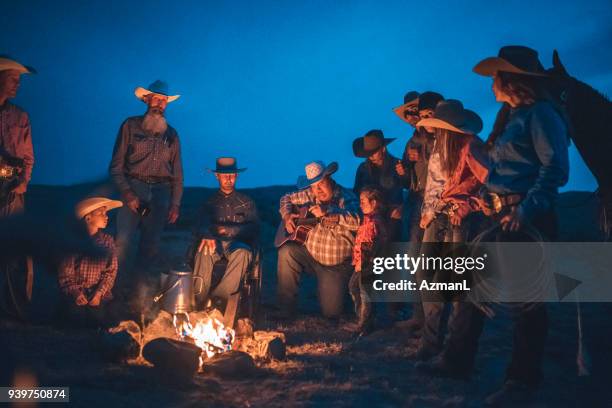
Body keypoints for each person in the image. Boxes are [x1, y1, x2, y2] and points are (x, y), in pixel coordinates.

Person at [468, 46, 569, 406]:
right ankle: (471, 364)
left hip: (527, 219)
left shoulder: (541, 115)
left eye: (496, 75)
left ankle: (522, 381)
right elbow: (505, 170)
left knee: (529, 303)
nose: (491, 82)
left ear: (509, 78)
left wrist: (525, 210)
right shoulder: (511, 117)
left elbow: (555, 169)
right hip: (504, 215)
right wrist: (487, 195)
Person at [406, 100, 488, 375]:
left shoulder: (470, 145)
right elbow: (440, 184)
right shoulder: (446, 145)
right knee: (428, 276)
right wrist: (431, 210)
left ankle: (450, 351)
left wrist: (469, 205)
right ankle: (432, 342)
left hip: (460, 220)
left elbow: (490, 182)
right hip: (441, 215)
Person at [108, 80, 184, 276]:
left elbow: (177, 173)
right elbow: (116, 166)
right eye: (156, 99)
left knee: (151, 246)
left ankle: (138, 296)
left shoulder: (173, 134)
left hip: (161, 193)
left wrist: (175, 203)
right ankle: (111, 291)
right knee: (122, 242)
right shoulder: (130, 126)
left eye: (163, 100)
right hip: (134, 186)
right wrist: (127, 193)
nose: (159, 103)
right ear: (147, 100)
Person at [276, 161, 361, 319]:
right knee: (286, 252)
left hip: (336, 265)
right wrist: (287, 215)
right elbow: (286, 197)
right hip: (311, 255)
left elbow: (357, 220)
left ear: (330, 179)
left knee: (332, 313)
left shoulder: (346, 197)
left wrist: (329, 211)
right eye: (314, 186)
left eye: (321, 184)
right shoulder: (310, 194)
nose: (318, 190)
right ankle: (286, 309)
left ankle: (345, 295)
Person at [393, 91, 444, 331]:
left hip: (434, 202)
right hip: (415, 200)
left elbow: (440, 164)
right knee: (414, 258)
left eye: (416, 112)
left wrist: (420, 157)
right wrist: (404, 173)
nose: (413, 117)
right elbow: (407, 182)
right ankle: (419, 315)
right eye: (410, 114)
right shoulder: (411, 141)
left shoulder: (436, 135)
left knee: (429, 258)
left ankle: (432, 319)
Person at [191, 157, 259, 308]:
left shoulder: (247, 203)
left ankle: (218, 301)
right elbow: (199, 224)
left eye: (232, 175)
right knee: (204, 250)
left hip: (238, 243)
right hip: (214, 242)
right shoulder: (209, 202)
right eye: (224, 175)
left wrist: (228, 230)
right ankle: (197, 301)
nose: (228, 179)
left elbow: (254, 228)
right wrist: (207, 234)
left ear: (236, 176)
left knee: (242, 253)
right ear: (217, 176)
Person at [0, 56, 35, 319]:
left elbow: (27, 155)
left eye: (19, 81)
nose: (17, 85)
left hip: (12, 189)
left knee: (17, 250)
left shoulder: (20, 116)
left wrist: (23, 182)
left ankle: (16, 308)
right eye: (13, 79)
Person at [57, 197, 122, 327]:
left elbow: (110, 272)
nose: (106, 217)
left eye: (106, 213)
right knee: (74, 317)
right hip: (76, 291)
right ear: (88, 218)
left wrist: (98, 293)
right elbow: (65, 273)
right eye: (101, 213)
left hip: (97, 292)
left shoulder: (107, 241)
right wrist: (75, 292)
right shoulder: (73, 242)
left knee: (99, 318)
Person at [344, 186, 388, 334]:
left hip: (368, 264)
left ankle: (364, 324)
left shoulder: (374, 222)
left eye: (363, 201)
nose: (360, 204)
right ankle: (364, 319)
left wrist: (363, 262)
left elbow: (371, 244)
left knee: (364, 292)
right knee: (354, 287)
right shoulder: (367, 220)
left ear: (373, 202)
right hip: (363, 263)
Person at [353, 129, 403, 240]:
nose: (371, 156)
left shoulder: (398, 165)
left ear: (383, 149)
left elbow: (408, 188)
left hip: (392, 215)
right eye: (368, 153)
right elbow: (356, 192)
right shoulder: (363, 169)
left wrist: (401, 208)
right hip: (370, 217)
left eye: (374, 152)